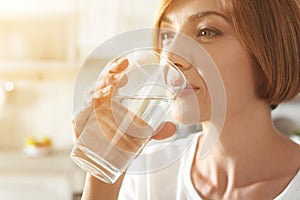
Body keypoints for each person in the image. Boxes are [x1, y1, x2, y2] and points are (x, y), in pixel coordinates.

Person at [72, 0, 300, 199]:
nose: (169, 55)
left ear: (270, 51)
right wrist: (103, 171)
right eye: (167, 36)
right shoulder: (148, 176)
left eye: (206, 32)